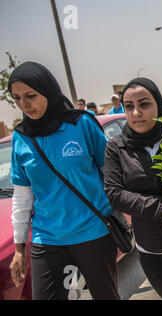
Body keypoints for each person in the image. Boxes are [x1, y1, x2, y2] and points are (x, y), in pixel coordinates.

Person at [8, 61, 119, 300]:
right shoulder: (21, 137)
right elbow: (22, 197)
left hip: (93, 233)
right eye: (17, 98)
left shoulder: (81, 123)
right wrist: (19, 249)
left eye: (30, 96)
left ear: (48, 91)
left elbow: (111, 173)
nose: (24, 105)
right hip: (46, 238)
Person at [103, 77, 162, 300]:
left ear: (158, 105)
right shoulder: (117, 147)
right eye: (129, 106)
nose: (136, 112)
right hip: (151, 250)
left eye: (144, 104)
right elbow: (115, 195)